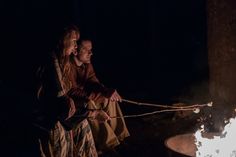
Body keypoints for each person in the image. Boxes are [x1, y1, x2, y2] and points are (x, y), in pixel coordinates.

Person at [35, 26, 109, 157]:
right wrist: (93, 113)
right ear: (63, 40)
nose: (76, 46)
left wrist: (103, 93)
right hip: (49, 121)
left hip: (60, 117)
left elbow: (92, 82)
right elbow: (62, 104)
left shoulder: (64, 63)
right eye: (74, 41)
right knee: (68, 127)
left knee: (83, 123)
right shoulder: (52, 62)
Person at [70, 39, 130, 152]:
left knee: (109, 99)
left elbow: (94, 82)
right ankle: (108, 144)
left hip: (87, 96)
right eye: (86, 50)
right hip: (75, 102)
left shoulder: (87, 65)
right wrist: (93, 95)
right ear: (75, 51)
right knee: (89, 103)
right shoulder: (68, 67)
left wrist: (106, 91)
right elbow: (71, 91)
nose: (90, 53)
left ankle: (120, 137)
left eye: (91, 50)